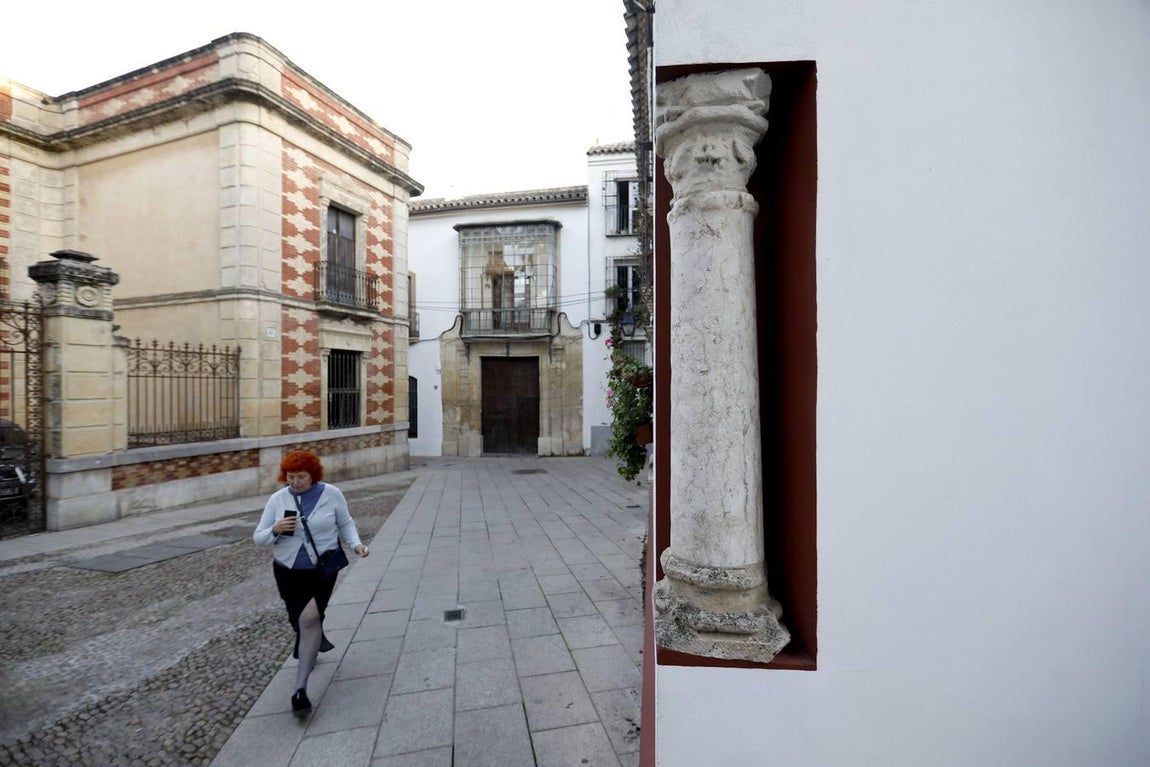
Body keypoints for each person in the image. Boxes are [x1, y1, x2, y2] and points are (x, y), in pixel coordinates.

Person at [253, 450, 369, 716]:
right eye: (290, 476)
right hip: (288, 571)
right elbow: (258, 537)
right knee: (303, 621)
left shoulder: (332, 494)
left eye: (301, 477)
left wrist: (356, 545)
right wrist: (275, 530)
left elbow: (345, 523)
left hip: (322, 570)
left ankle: (300, 689)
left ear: (313, 475)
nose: (295, 482)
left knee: (311, 619)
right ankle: (309, 643)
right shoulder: (277, 499)